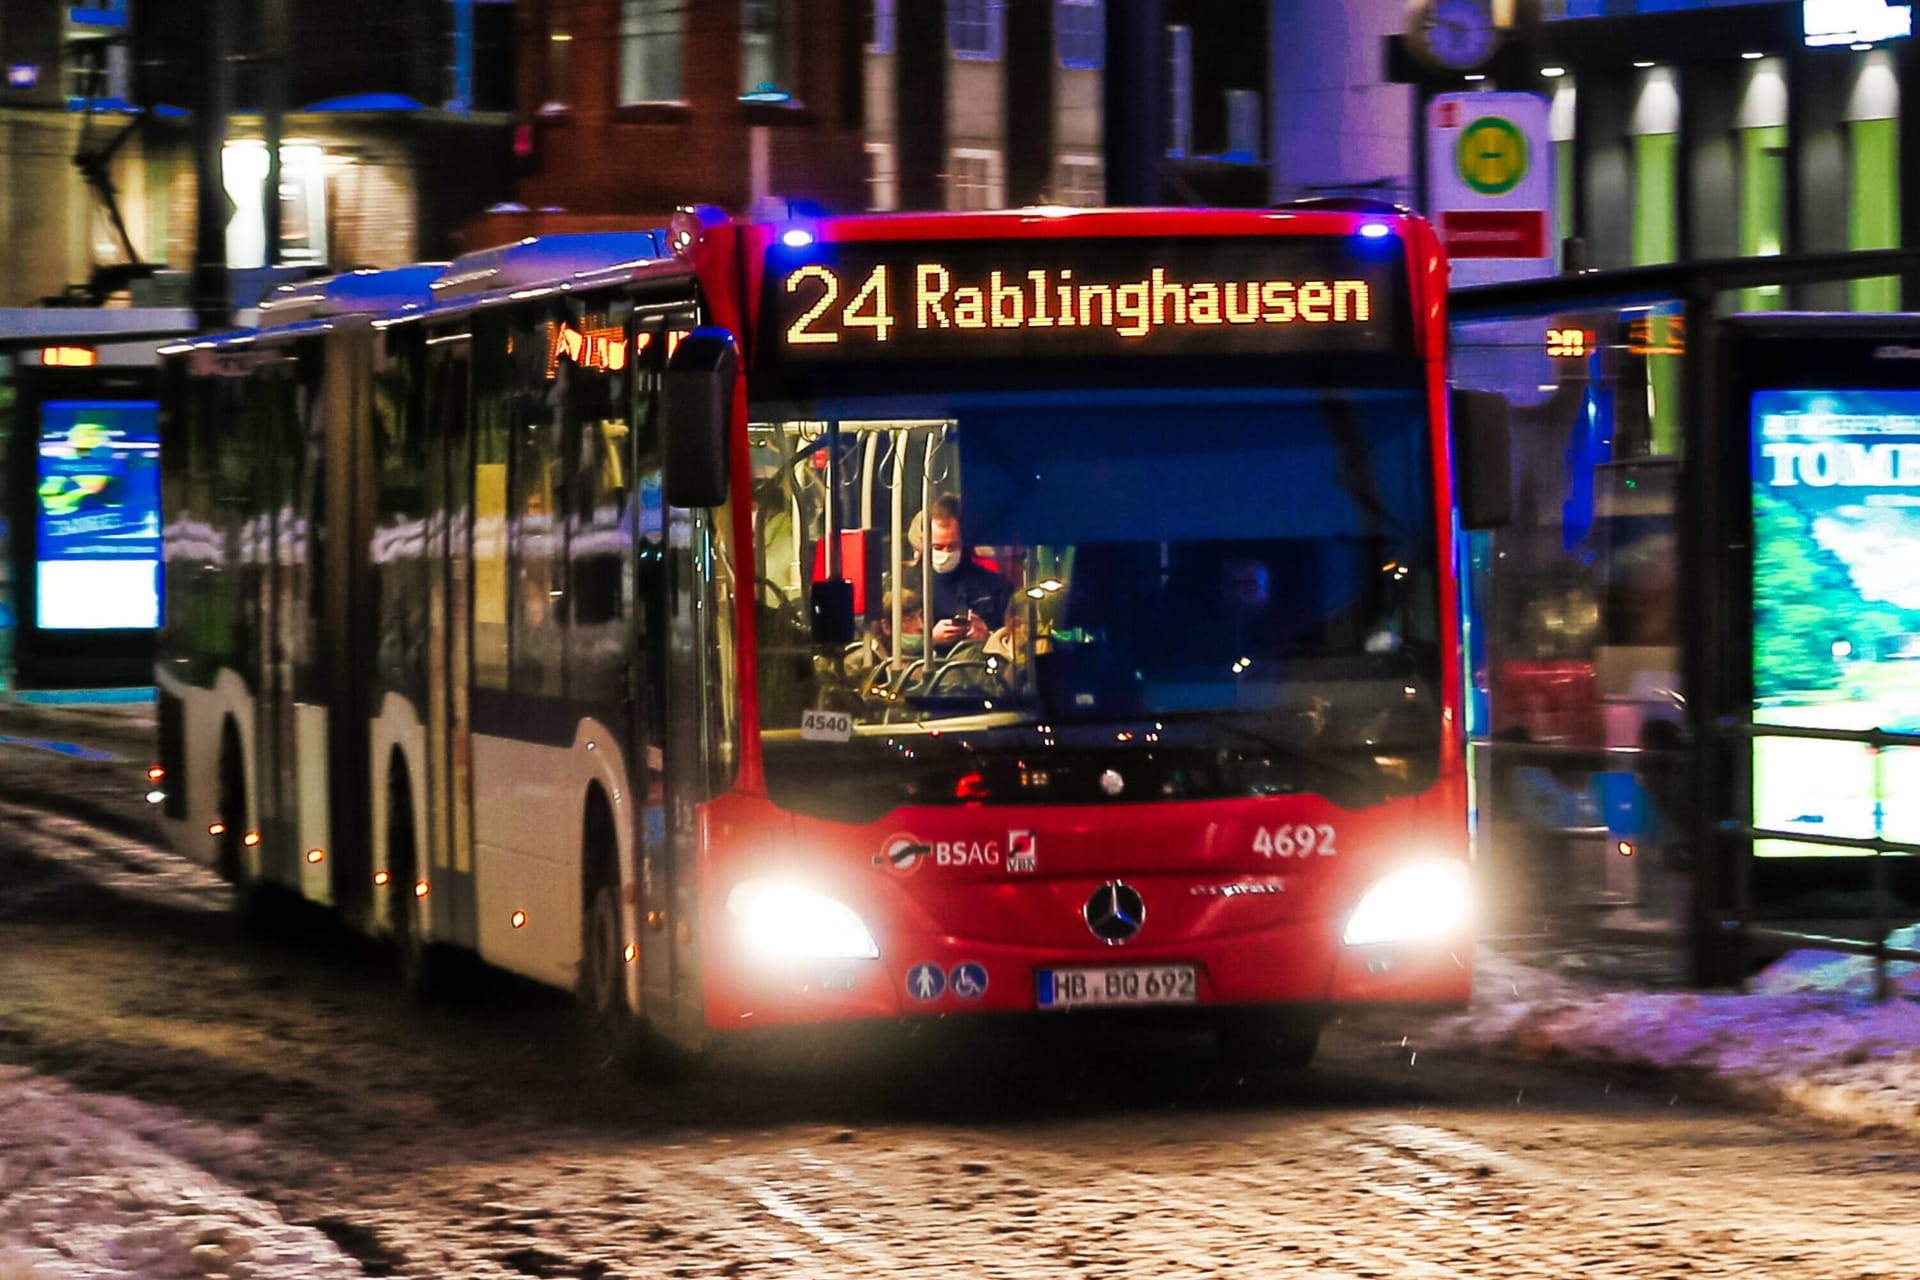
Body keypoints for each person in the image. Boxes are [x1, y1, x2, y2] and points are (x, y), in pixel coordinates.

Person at [905, 493, 1010, 650]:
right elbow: (892, 643)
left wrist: (988, 637)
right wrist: (928, 640)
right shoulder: (906, 586)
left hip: (980, 667)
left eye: (953, 546)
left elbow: (1014, 640)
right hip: (927, 669)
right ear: (923, 542)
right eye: (938, 547)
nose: (946, 553)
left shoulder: (994, 586)